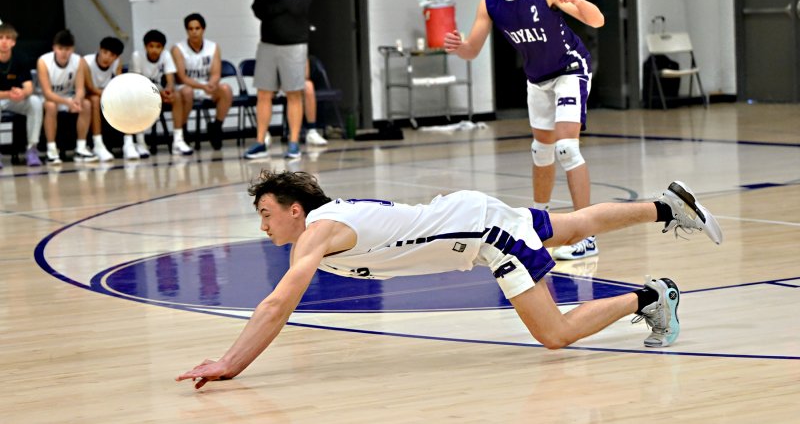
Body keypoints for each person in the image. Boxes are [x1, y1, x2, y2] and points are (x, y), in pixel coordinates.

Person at [176, 170, 722, 389]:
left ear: (295, 210)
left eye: (267, 213)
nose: (263, 225)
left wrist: (230, 363)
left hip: (485, 234)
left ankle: (652, 296)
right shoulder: (326, 222)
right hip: (468, 212)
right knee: (571, 226)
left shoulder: (316, 233)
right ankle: (667, 206)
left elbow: (277, 306)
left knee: (554, 334)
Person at [444, 0, 604, 261]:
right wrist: (459, 47)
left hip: (569, 69)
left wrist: (577, 0)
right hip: (537, 79)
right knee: (540, 151)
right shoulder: (490, 2)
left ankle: (586, 236)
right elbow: (472, 50)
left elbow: (597, 20)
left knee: (566, 148)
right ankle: (538, 226)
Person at [245, 0, 312, 160]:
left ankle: (293, 142)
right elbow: (260, 10)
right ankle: (260, 141)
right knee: (264, 93)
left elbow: (298, 9)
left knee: (293, 93)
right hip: (268, 45)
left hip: (294, 46)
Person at [171, 13, 233, 151]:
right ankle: (183, 130)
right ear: (187, 30)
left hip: (205, 86)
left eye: (197, 28)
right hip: (185, 87)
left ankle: (216, 127)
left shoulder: (213, 47)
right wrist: (202, 86)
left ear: (203, 29)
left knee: (226, 89)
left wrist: (211, 83)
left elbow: (216, 74)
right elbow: (181, 77)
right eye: (190, 29)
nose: (194, 32)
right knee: (187, 92)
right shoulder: (178, 49)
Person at [37, 29, 98, 164]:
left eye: (67, 49)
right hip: (48, 98)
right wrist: (68, 102)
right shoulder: (43, 61)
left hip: (67, 97)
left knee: (86, 104)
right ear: (54, 48)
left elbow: (80, 89)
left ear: (72, 49)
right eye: (60, 49)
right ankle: (52, 150)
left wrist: (77, 100)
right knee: (51, 106)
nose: (64, 53)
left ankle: (81, 148)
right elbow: (47, 93)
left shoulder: (78, 61)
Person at [130, 29, 194, 156]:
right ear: (145, 47)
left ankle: (178, 141)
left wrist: (168, 90)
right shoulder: (137, 56)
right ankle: (140, 142)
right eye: (151, 46)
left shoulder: (166, 55)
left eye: (158, 47)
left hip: (158, 93)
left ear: (163, 48)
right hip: (140, 93)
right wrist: (157, 93)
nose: (154, 50)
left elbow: (170, 81)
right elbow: (137, 84)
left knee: (176, 96)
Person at [0, 23, 43, 168]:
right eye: (0, 37)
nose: (4, 41)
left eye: (8, 38)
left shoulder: (21, 58)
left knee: (35, 102)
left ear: (13, 42)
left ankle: (32, 149)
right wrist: (8, 93)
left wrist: (23, 92)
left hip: (15, 99)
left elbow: (29, 86)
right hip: (2, 98)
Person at [83, 36, 124, 162]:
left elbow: (119, 83)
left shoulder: (117, 63)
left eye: (112, 55)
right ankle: (98, 143)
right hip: (88, 95)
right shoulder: (86, 61)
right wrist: (109, 94)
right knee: (95, 100)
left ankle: (129, 142)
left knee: (127, 99)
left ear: (116, 57)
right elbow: (90, 87)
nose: (107, 57)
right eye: (105, 52)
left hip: (106, 94)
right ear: (99, 50)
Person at [303, 58, 328, 146]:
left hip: (293, 81)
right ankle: (265, 133)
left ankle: (312, 131)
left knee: (308, 86)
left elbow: (306, 75)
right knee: (266, 90)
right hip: (275, 82)